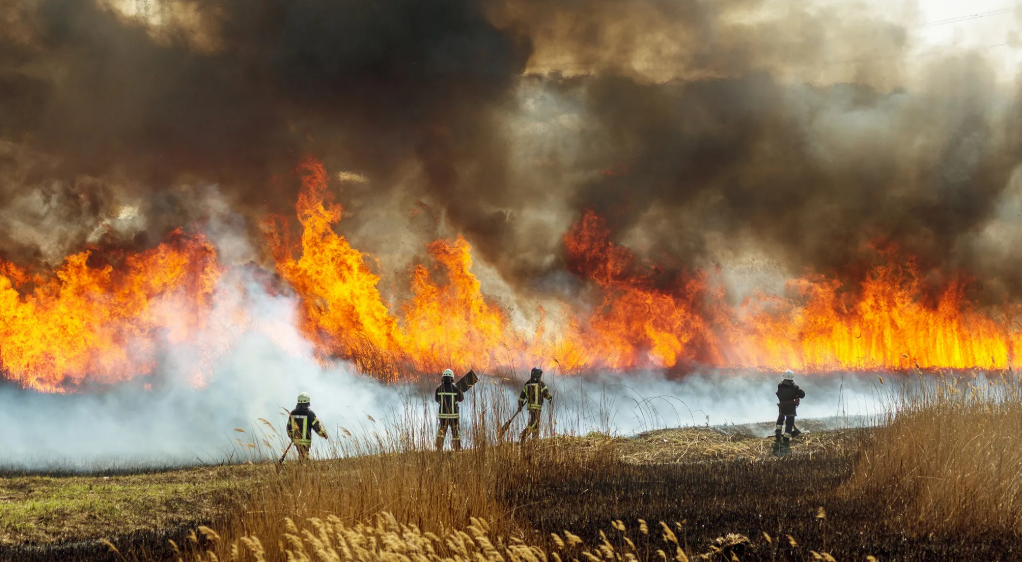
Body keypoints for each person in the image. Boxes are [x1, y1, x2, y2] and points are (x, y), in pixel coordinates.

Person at [287, 392, 328, 460]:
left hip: (296, 440)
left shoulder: (293, 413)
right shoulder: (309, 413)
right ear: (307, 403)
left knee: (301, 455)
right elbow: (316, 427)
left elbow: (289, 427)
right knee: (304, 456)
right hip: (306, 441)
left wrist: (292, 436)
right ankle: (303, 468)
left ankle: (301, 467)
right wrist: (323, 434)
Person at [518, 367, 553, 442]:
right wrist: (550, 398)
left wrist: (520, 405)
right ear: (539, 375)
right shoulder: (541, 383)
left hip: (530, 407)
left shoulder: (527, 383)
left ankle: (535, 438)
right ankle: (524, 434)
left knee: (535, 423)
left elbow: (521, 397)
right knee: (534, 422)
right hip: (537, 407)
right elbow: (545, 394)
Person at [774, 370, 805, 455]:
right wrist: (797, 395)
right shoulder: (795, 387)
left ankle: (778, 433)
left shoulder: (780, 385)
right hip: (791, 407)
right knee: (789, 422)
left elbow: (779, 394)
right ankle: (786, 438)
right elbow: (803, 394)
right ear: (792, 378)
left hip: (782, 406)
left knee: (780, 419)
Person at [435, 369, 464, 451]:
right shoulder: (456, 388)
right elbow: (461, 399)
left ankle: (439, 448)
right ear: (452, 377)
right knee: (455, 431)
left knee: (441, 431)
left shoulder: (439, 388)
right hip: (454, 415)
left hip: (442, 415)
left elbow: (437, 399)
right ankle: (457, 448)